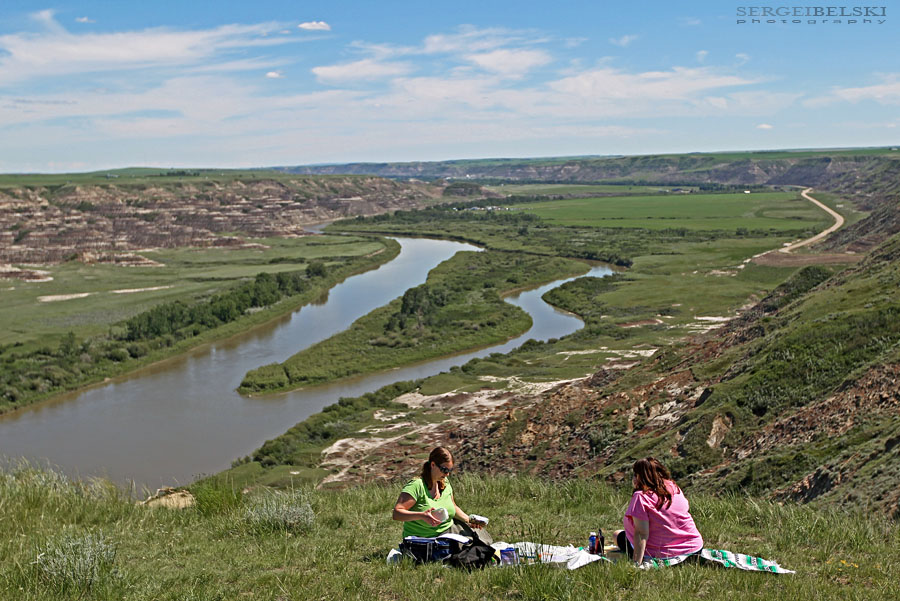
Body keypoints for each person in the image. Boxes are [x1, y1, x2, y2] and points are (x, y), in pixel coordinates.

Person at [392, 446, 492, 543]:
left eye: (449, 471)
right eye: (444, 470)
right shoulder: (416, 485)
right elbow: (397, 513)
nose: (447, 474)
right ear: (433, 465)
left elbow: (453, 506)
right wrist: (422, 516)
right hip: (424, 538)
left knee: (483, 540)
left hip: (448, 530)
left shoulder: (444, 482)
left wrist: (469, 520)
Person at [615, 457, 703, 565]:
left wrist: (637, 563)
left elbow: (641, 534)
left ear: (640, 477)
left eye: (635, 474)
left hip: (662, 554)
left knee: (617, 534)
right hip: (694, 549)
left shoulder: (641, 497)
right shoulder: (674, 487)